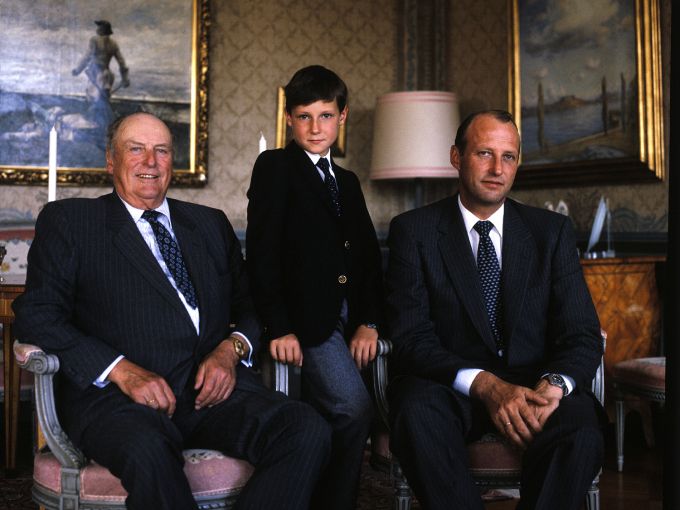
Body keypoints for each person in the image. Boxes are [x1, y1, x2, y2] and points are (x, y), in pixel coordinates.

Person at [12, 112, 331, 510]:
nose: (151, 161)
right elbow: (37, 315)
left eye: (161, 150)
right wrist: (122, 370)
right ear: (111, 161)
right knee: (148, 448)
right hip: (118, 401)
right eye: (136, 149)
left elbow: (253, 304)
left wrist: (230, 350)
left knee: (305, 427)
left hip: (210, 392)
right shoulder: (72, 222)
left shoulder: (209, 224)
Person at [385, 110, 606, 510]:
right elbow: (410, 337)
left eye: (508, 157)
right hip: (451, 384)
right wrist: (486, 385)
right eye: (484, 153)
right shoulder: (413, 230)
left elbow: (582, 333)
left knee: (581, 428)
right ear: (456, 156)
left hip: (534, 382)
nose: (497, 168)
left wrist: (552, 386)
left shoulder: (550, 232)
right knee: (416, 414)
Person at [246, 65, 384, 510]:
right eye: (304, 116)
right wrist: (279, 327)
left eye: (325, 115)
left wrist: (369, 320)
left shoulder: (346, 181)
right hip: (308, 322)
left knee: (364, 405)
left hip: (350, 317)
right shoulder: (275, 167)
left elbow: (367, 261)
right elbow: (262, 257)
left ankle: (308, 491)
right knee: (353, 406)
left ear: (342, 116)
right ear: (288, 119)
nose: (315, 127)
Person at [72, 20, 130, 126]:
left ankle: (95, 126)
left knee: (95, 100)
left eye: (99, 27)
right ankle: (103, 124)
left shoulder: (94, 40)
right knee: (103, 100)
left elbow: (88, 56)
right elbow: (121, 62)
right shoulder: (113, 43)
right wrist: (125, 78)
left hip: (96, 75)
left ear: (102, 29)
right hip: (107, 76)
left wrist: (78, 70)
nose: (97, 29)